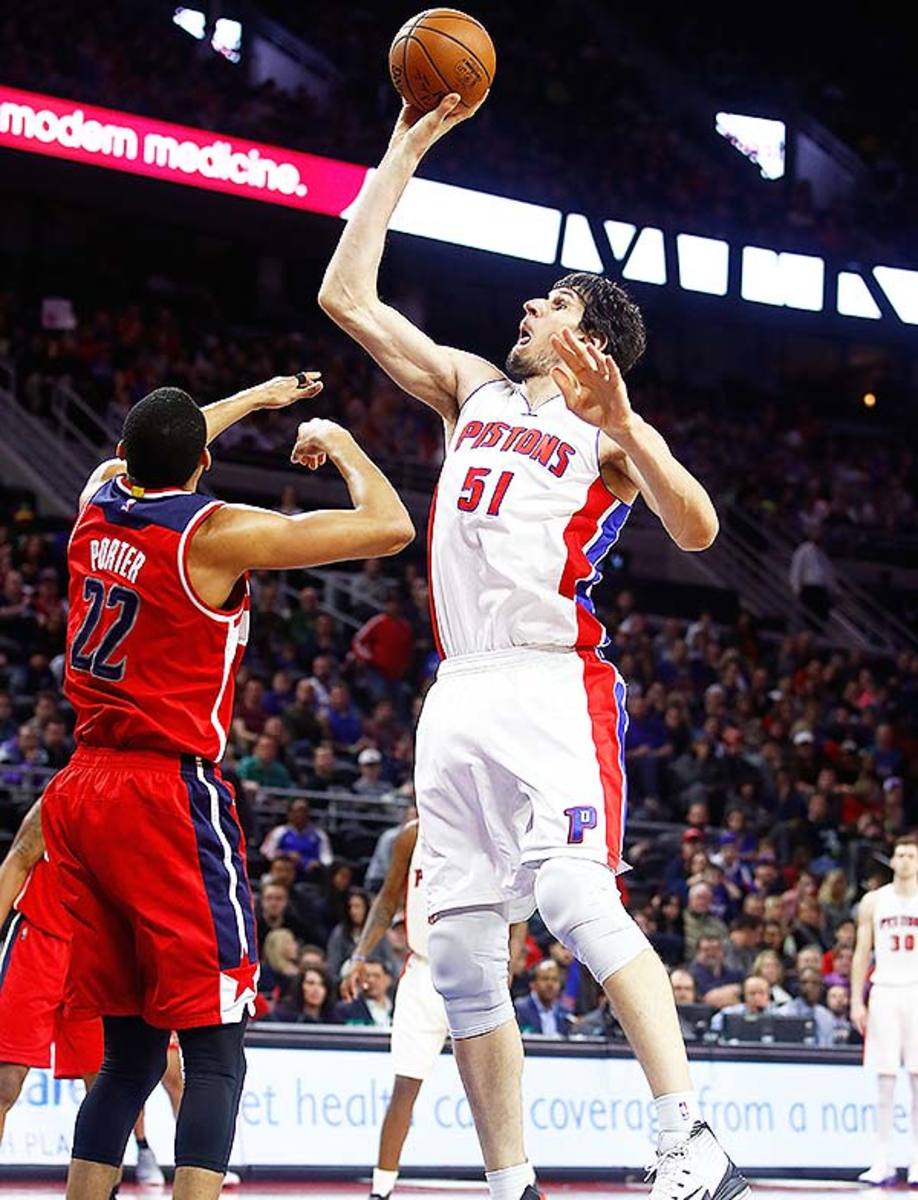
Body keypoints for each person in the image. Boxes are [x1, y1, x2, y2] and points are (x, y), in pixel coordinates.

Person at [319, 91, 746, 1200]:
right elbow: (344, 295)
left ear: (588, 339)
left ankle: (687, 1137)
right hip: (456, 690)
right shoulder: (475, 388)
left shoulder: (606, 437)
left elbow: (698, 528)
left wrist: (627, 425)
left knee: (574, 901)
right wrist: (406, 144)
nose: (526, 303)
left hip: (551, 683)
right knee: (459, 959)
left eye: (550, 300)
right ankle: (512, 1185)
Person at [39, 375, 414, 1200]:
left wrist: (251, 399)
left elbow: (157, 440)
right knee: (215, 1050)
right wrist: (340, 442)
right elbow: (389, 526)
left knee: (130, 1053)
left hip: (83, 788)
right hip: (163, 791)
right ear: (205, 463)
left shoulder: (98, 497)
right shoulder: (213, 533)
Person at [343, 818, 448, 1200]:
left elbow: (515, 912)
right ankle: (381, 1190)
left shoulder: (482, 824)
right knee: (405, 1084)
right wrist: (359, 954)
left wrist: (510, 962)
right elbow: (387, 899)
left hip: (474, 967)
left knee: (492, 1087)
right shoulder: (412, 835)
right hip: (422, 969)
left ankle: (515, 1182)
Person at [851, 836, 918, 1186]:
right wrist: (855, 1000)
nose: (905, 860)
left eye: (911, 855)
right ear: (892, 860)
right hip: (886, 990)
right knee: (886, 1079)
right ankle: (882, 1160)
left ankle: (916, 1159)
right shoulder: (874, 901)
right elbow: (862, 953)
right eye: (901, 854)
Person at [514, 960, 573, 1039]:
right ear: (533, 984)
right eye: (545, 979)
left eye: (555, 979)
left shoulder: (565, 1014)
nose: (550, 984)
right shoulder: (520, 1009)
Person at [334, 959, 393, 1027]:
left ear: (388, 980)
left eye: (376, 976)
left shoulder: (400, 1008)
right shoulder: (345, 1010)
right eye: (367, 976)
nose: (371, 980)